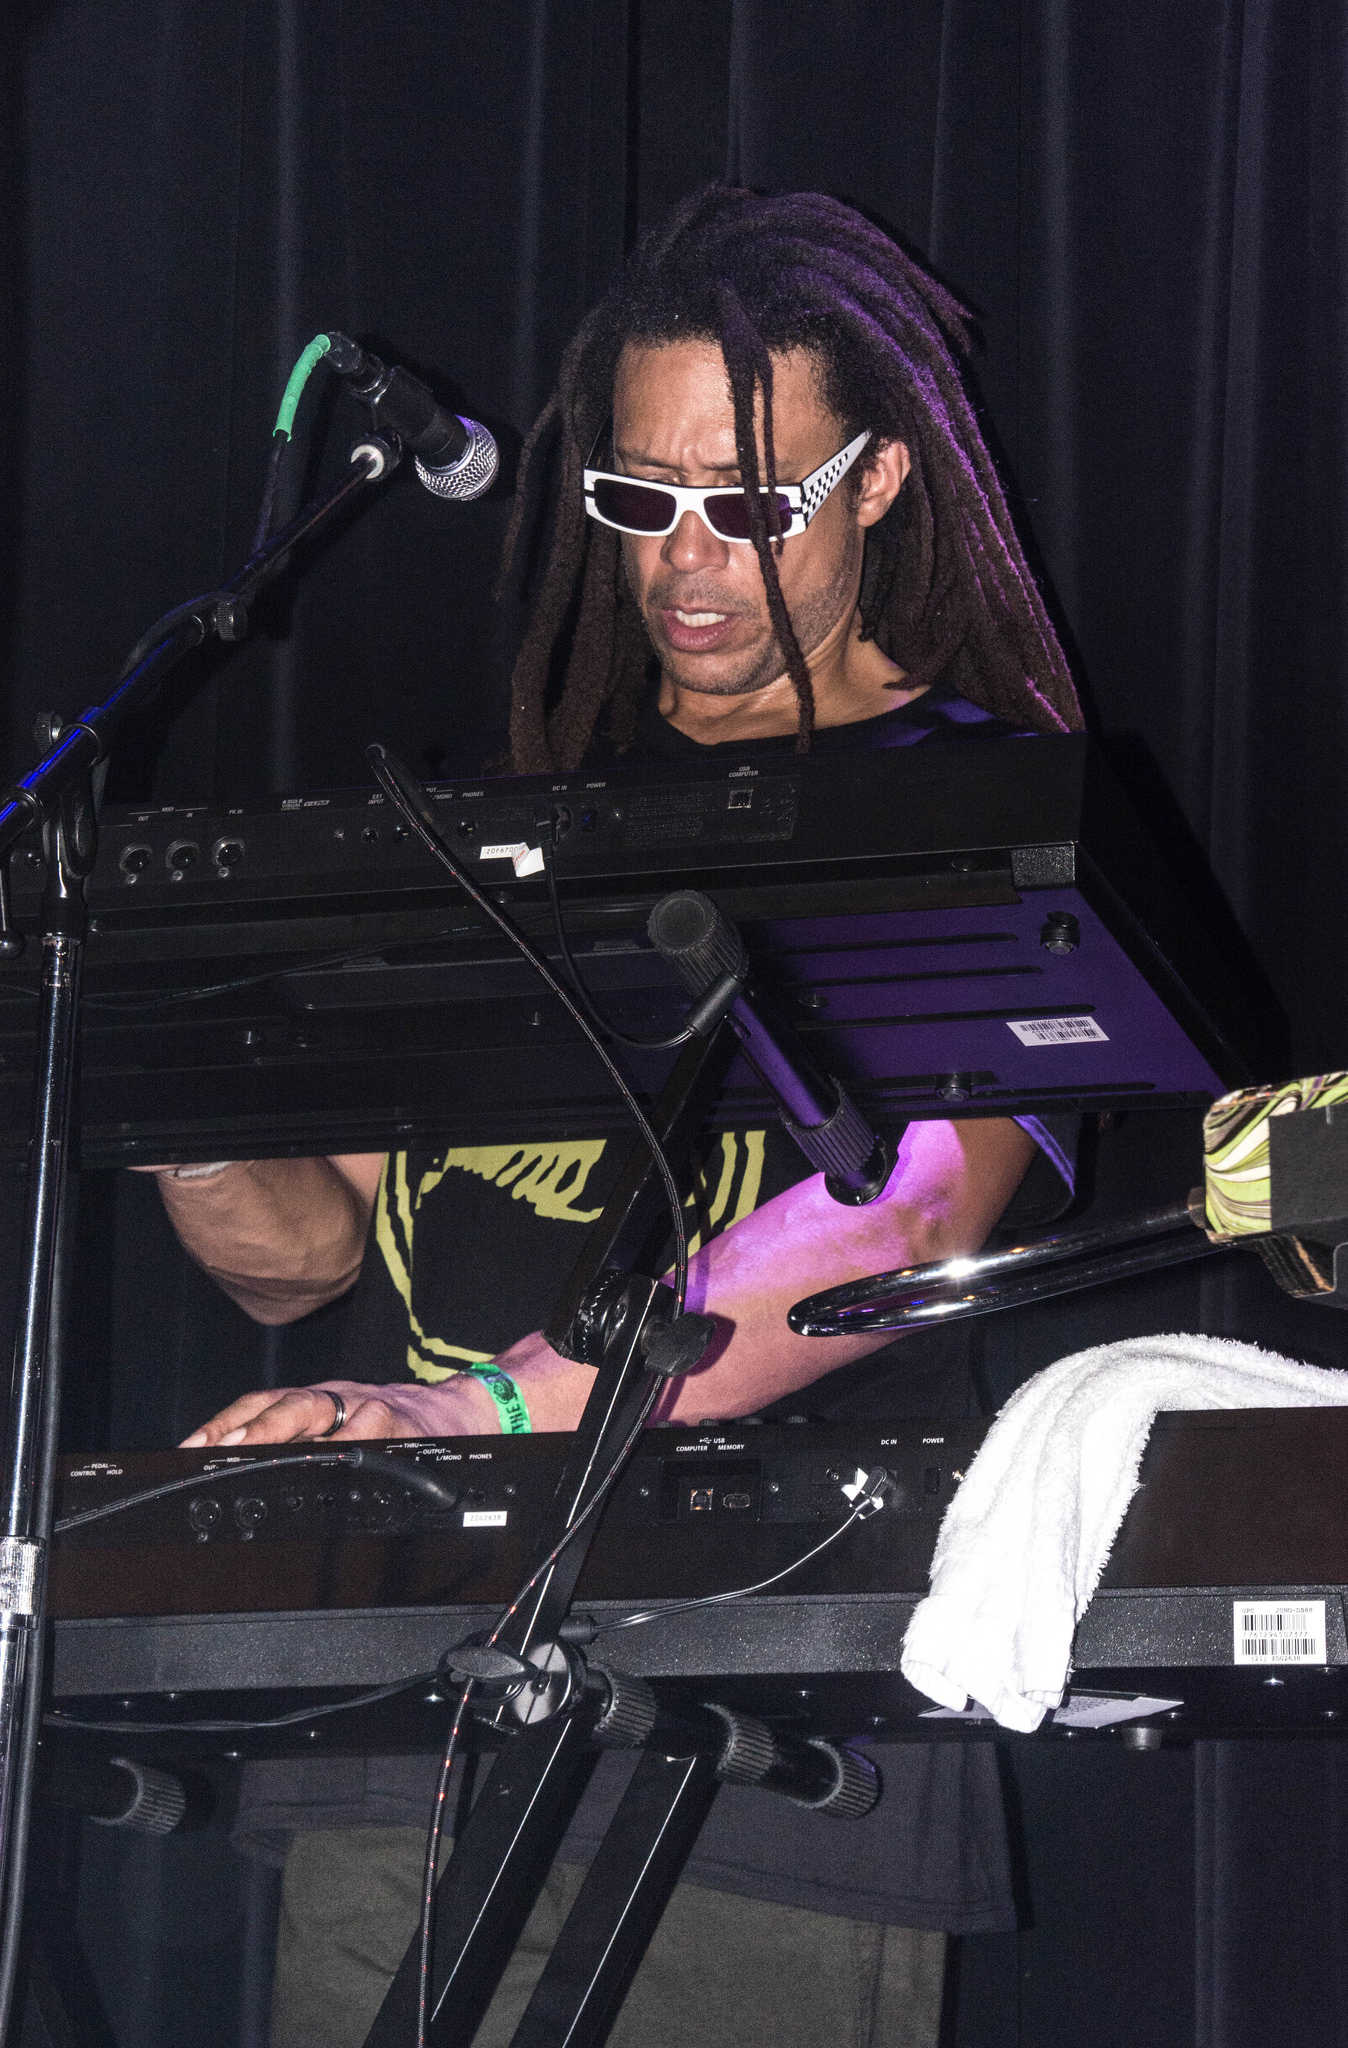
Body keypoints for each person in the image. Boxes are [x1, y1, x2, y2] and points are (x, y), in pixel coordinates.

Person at [143, 186, 1083, 2048]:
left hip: (770, 1715)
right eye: (639, 502)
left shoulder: (978, 809)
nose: (689, 563)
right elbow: (301, 1259)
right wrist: (175, 1093)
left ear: (881, 483)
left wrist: (489, 1407)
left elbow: (907, 1217)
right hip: (410, 1689)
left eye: (751, 504)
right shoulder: (500, 824)